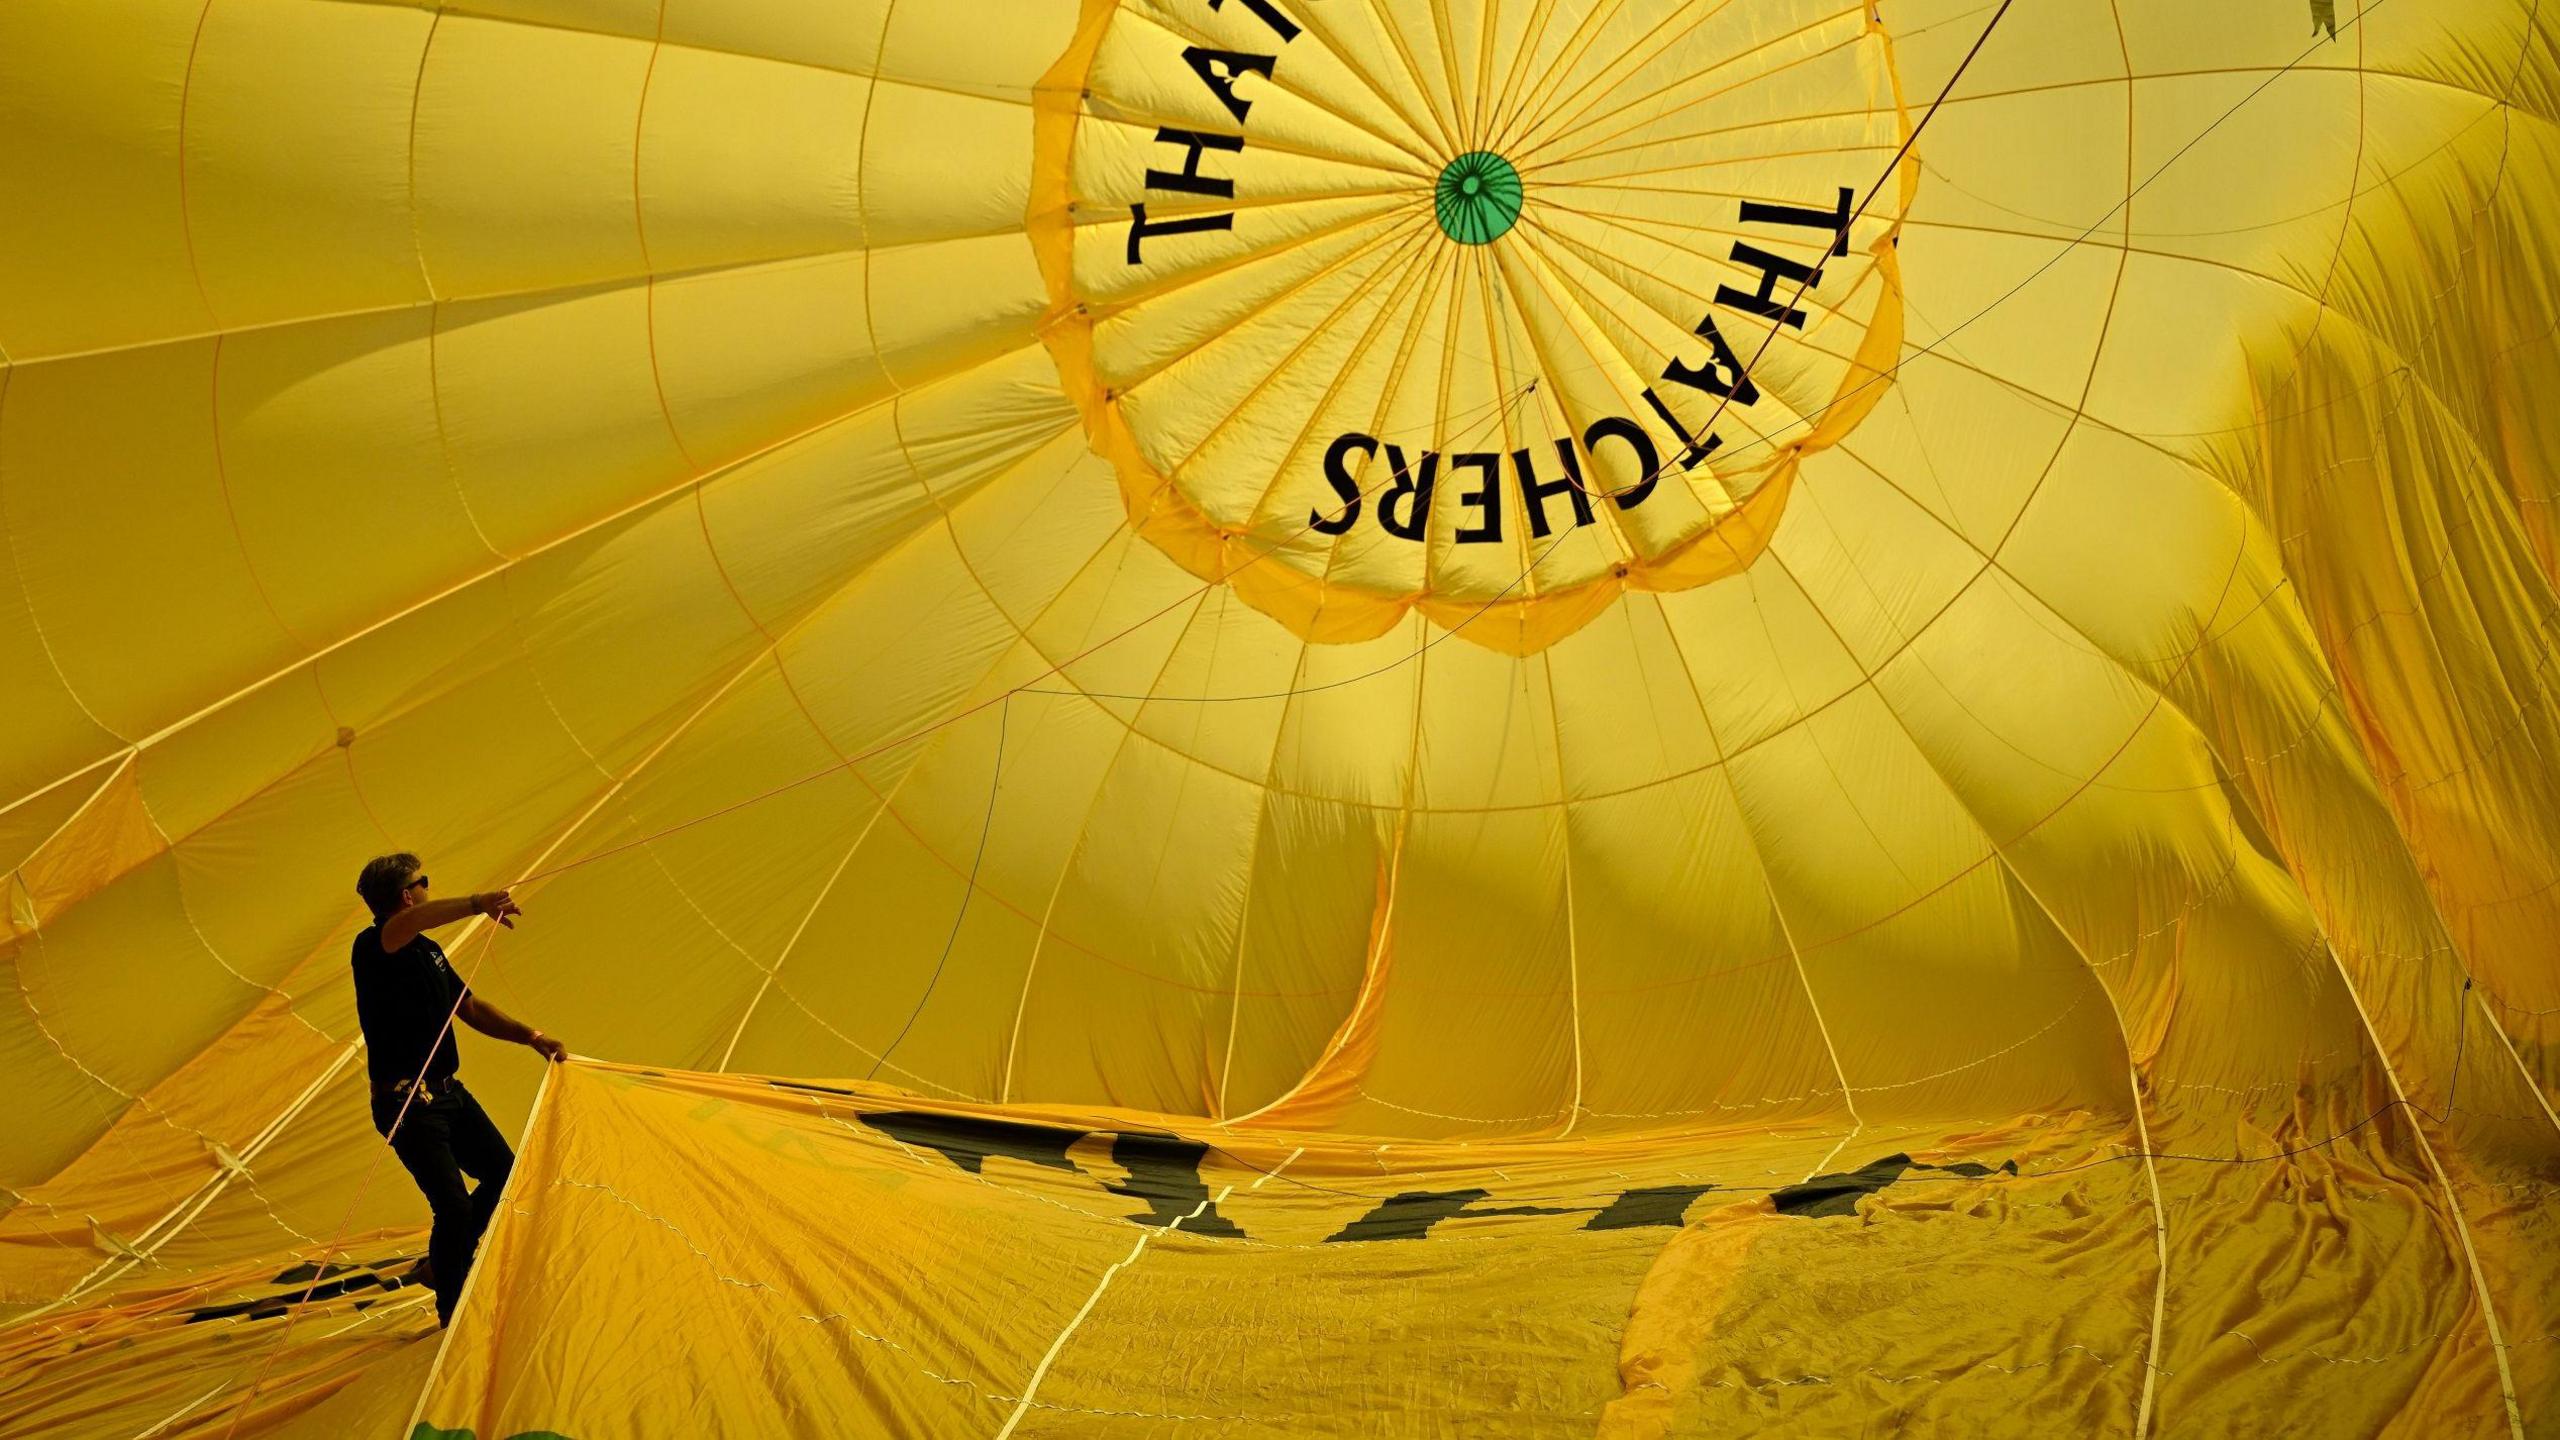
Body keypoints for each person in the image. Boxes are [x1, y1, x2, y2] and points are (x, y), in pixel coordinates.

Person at [350, 852, 566, 1327]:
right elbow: (409, 921)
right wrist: (476, 903)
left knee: (504, 1173)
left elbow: (468, 1008)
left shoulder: (428, 950)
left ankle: (443, 1263)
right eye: (422, 882)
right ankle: (452, 1309)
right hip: (407, 1104)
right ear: (407, 895)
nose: (428, 887)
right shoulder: (374, 945)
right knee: (452, 1206)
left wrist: (532, 1037)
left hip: (449, 1093)